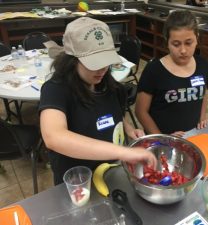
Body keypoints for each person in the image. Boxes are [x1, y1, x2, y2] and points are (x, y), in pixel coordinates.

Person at [39, 17, 156, 185]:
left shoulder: (107, 84)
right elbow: (54, 137)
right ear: (72, 60)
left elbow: (109, 113)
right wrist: (123, 152)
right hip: (80, 181)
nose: (102, 69)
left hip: (111, 172)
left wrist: (128, 128)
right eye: (94, 63)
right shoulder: (56, 89)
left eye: (106, 62)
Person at [135, 10, 208, 137]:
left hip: (193, 134)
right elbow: (141, 111)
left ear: (196, 38)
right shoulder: (154, 70)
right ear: (167, 42)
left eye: (188, 43)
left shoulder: (202, 64)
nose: (183, 50)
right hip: (162, 137)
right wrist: (163, 138)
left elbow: (203, 93)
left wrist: (202, 115)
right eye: (176, 44)